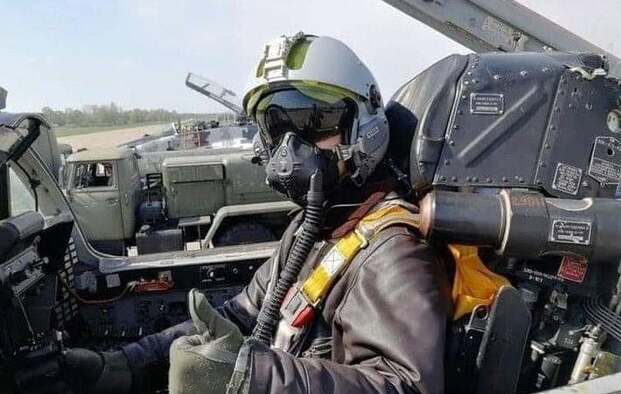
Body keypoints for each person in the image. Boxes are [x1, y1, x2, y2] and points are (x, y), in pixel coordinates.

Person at [51, 33, 452, 394]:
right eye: (275, 127)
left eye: (313, 122)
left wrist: (253, 378)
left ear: (364, 126)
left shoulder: (394, 255)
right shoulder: (315, 228)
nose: (289, 148)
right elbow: (240, 315)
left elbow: (403, 386)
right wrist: (125, 365)